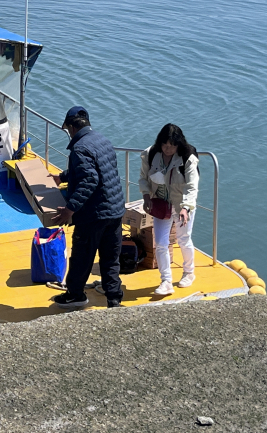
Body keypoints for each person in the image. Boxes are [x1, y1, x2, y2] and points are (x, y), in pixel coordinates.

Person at [49, 106, 126, 308]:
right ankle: (114, 298)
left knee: (82, 256)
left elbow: (89, 179)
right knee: (110, 258)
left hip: (94, 214)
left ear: (72, 128)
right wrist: (64, 177)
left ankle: (75, 294)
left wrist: (70, 209)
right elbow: (98, 168)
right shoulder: (103, 140)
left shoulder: (79, 147)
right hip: (115, 209)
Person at [138, 124, 199, 295]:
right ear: (160, 143)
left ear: (179, 144)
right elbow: (143, 178)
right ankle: (166, 280)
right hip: (160, 204)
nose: (168, 149)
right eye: (165, 145)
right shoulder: (150, 155)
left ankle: (189, 272)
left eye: (172, 145)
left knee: (183, 239)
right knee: (160, 243)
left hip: (182, 206)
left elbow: (192, 187)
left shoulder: (188, 158)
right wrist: (146, 196)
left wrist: (186, 208)